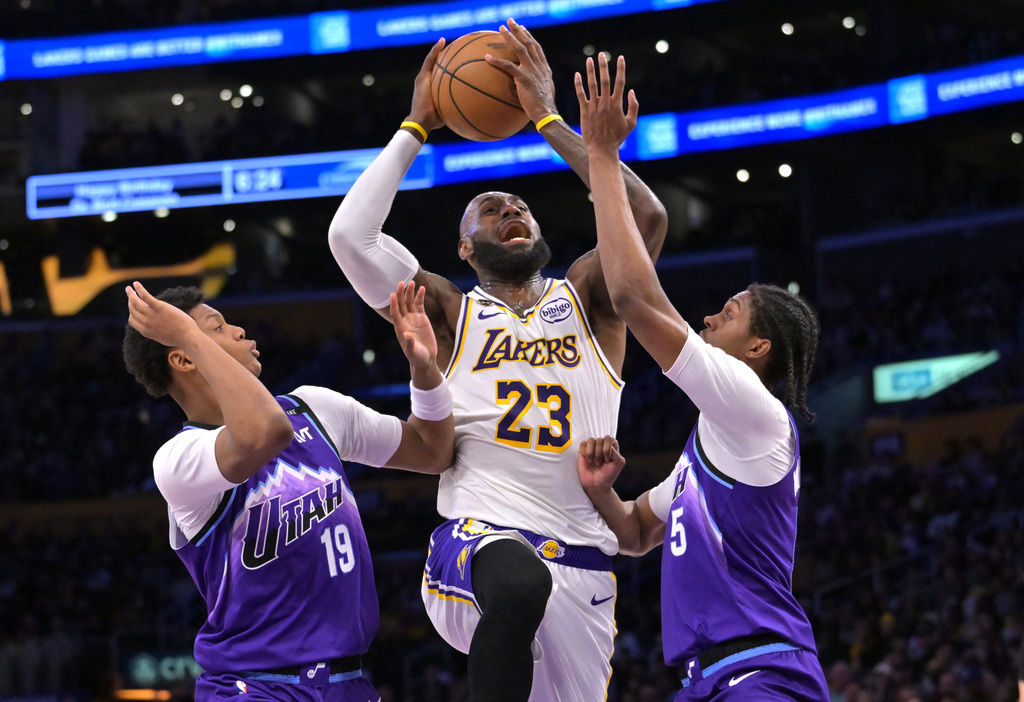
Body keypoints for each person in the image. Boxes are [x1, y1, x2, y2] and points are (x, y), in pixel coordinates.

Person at [327, 19, 668, 702]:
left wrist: (547, 120)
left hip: (583, 564)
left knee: (538, 605)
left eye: (519, 207)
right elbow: (351, 235)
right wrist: (415, 127)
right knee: (517, 584)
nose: (509, 209)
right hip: (478, 541)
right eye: (489, 210)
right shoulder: (449, 312)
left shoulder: (592, 298)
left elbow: (646, 217)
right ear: (464, 248)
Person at [573, 54, 828, 700]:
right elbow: (632, 533)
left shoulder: (756, 410)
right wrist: (603, 489)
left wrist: (602, 155)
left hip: (763, 672)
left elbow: (633, 296)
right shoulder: (708, 449)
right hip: (709, 678)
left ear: (758, 347)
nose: (713, 313)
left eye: (733, 311)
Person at [121, 280, 454, 701]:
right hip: (253, 686)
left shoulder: (313, 408)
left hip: (348, 682)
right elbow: (265, 433)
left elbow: (431, 451)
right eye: (218, 328)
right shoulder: (179, 459)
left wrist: (425, 371)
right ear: (184, 358)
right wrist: (187, 330)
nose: (240, 331)